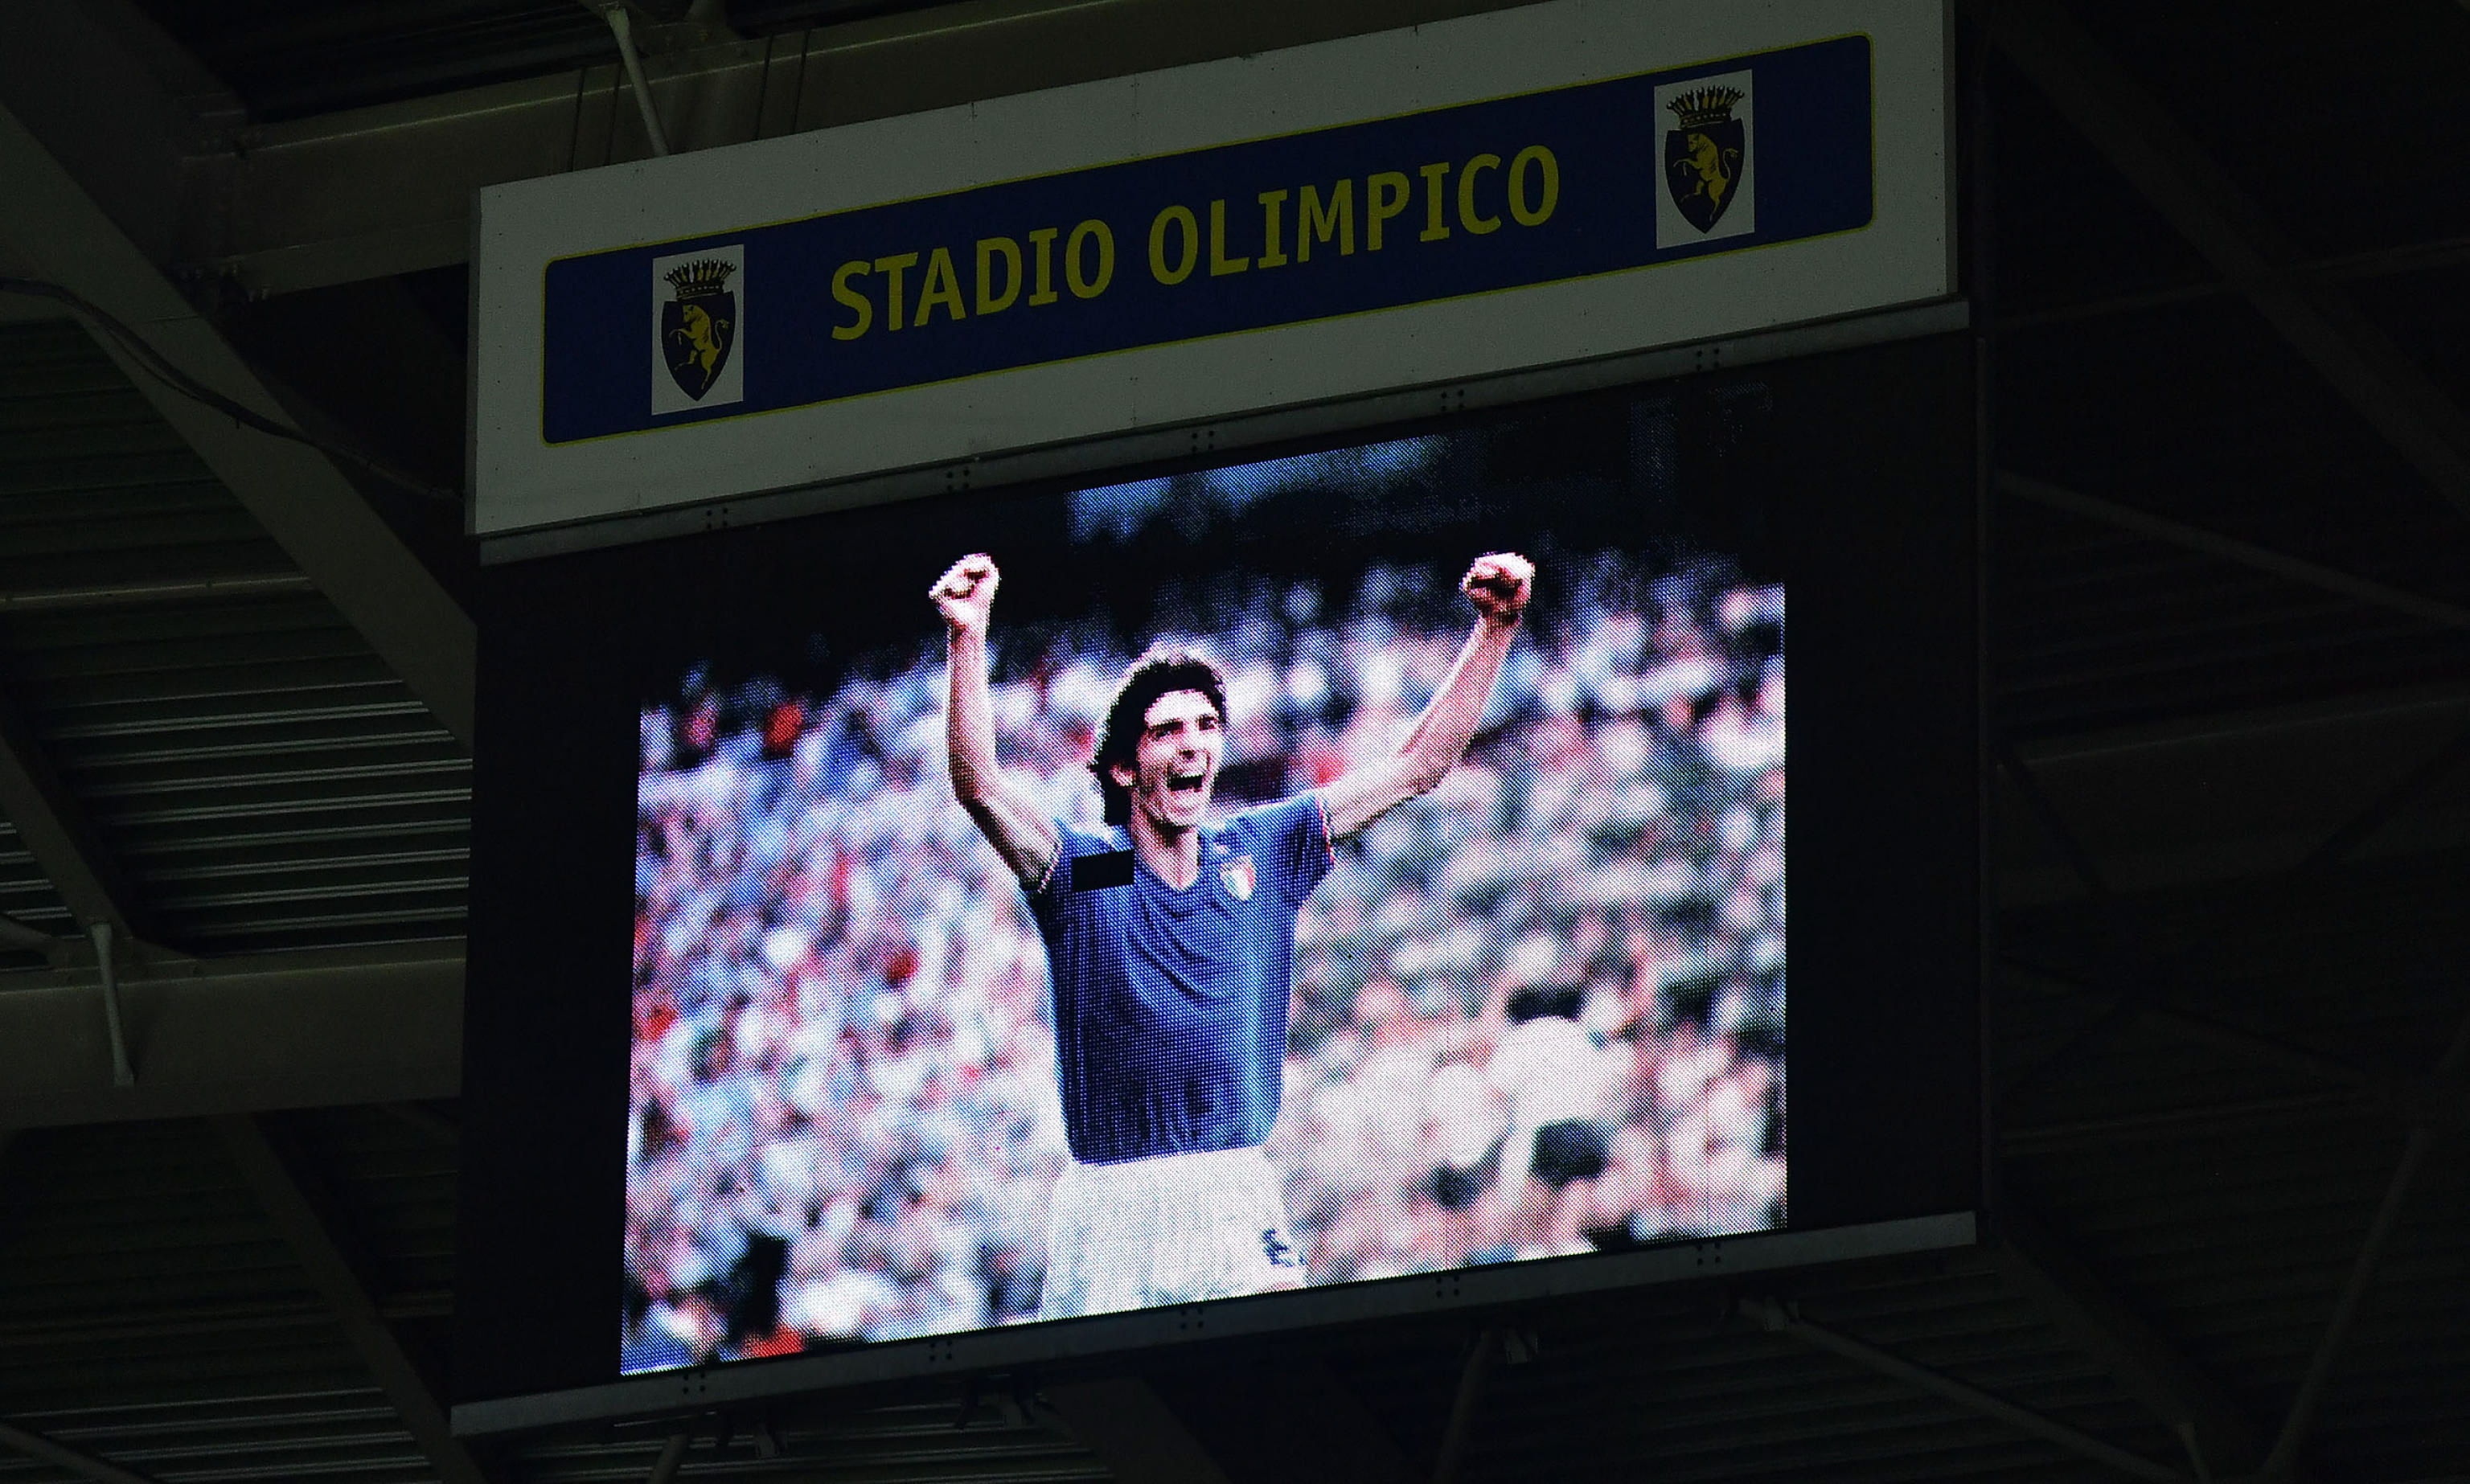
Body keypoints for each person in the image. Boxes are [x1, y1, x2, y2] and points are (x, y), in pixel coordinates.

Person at [930, 549, 1534, 1318]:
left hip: (1233, 1185)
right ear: (1123, 768)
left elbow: (1417, 766)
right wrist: (968, 638)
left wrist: (1495, 630)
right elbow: (980, 786)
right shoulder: (1088, 871)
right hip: (1114, 1205)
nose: (1192, 744)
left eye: (1207, 726)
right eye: (1166, 731)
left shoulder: (1260, 849)